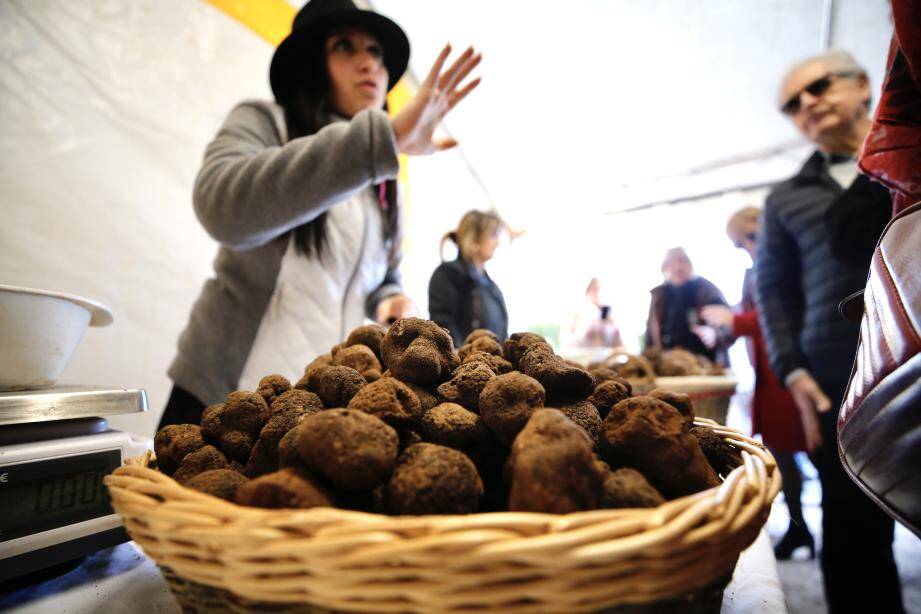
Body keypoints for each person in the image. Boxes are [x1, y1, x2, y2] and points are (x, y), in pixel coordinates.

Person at [159, 0, 482, 429]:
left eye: (376, 52)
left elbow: (383, 276)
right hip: (224, 395)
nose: (368, 62)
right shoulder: (266, 122)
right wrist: (383, 140)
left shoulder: (384, 180)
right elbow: (220, 207)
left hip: (312, 400)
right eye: (345, 46)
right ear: (313, 62)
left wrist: (391, 300)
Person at [756, 50, 903, 612]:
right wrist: (793, 371)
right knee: (853, 535)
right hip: (837, 379)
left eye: (818, 87)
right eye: (793, 104)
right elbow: (774, 292)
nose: (807, 105)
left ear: (863, 84)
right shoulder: (785, 199)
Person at [701, 207, 813, 560]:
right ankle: (800, 529)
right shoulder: (757, 270)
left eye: (750, 238)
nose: (749, 247)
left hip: (788, 370)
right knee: (780, 452)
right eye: (741, 244)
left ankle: (806, 531)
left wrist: (734, 321)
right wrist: (727, 326)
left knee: (810, 448)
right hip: (768, 372)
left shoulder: (792, 261)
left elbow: (780, 315)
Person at [428, 210, 508, 346]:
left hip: (490, 365)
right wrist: (463, 360)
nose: (498, 243)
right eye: (493, 235)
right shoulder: (449, 274)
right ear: (475, 237)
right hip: (464, 364)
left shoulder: (490, 286)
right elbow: (443, 325)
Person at [643, 247, 730, 365]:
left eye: (682, 260)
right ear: (664, 267)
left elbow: (728, 324)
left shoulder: (707, 290)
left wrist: (714, 333)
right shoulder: (659, 296)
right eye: (671, 262)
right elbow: (650, 336)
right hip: (669, 367)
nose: (678, 267)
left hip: (706, 365)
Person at [564, 278, 624, 350]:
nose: (596, 293)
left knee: (615, 333)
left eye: (598, 289)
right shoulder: (580, 308)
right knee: (595, 332)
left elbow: (615, 331)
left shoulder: (605, 309)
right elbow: (572, 332)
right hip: (585, 347)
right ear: (588, 291)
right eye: (594, 290)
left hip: (605, 348)